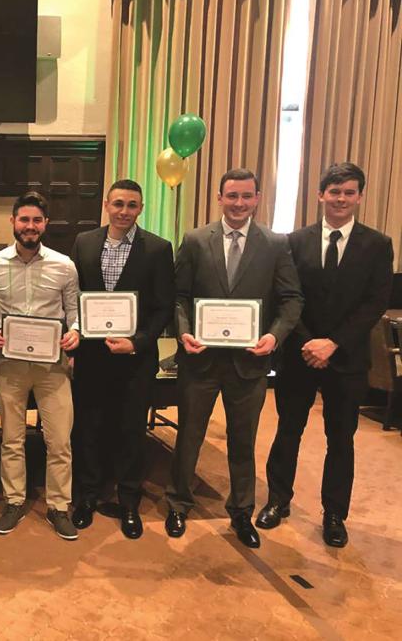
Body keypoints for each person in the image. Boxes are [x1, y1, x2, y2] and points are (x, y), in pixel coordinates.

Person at [165, 168, 303, 549]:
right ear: (219, 198)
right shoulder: (195, 240)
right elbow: (179, 296)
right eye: (232, 196)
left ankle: (241, 511)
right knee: (188, 436)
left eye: (246, 196)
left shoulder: (275, 244)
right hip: (200, 360)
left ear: (257, 199)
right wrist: (183, 331)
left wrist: (274, 336)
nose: (238, 203)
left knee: (243, 441)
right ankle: (178, 504)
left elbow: (292, 299)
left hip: (250, 363)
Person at [257, 162, 394, 547]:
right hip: (299, 355)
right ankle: (278, 500)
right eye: (334, 192)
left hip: (347, 359)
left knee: (341, 438)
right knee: (288, 431)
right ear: (320, 195)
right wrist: (308, 342)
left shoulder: (378, 244)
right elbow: (286, 296)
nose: (341, 199)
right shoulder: (294, 241)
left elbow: (374, 303)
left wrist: (333, 343)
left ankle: (334, 514)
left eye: (349, 192)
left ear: (359, 197)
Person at [69, 179, 175, 538]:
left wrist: (138, 342)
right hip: (91, 356)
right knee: (88, 427)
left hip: (135, 359)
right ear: (106, 205)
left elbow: (163, 307)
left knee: (131, 431)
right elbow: (75, 297)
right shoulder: (84, 243)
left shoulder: (158, 248)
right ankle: (87, 496)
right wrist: (75, 334)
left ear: (140, 208)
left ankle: (129, 500)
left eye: (132, 205)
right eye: (118, 204)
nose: (124, 211)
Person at [0, 191, 81, 540]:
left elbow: (74, 311)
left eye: (37, 220)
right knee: (11, 438)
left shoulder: (64, 265)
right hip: (10, 364)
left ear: (45, 224)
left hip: (53, 366)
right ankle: (14, 500)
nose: (30, 226)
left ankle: (59, 506)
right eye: (24, 219)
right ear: (13, 221)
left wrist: (75, 332)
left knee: (60, 440)